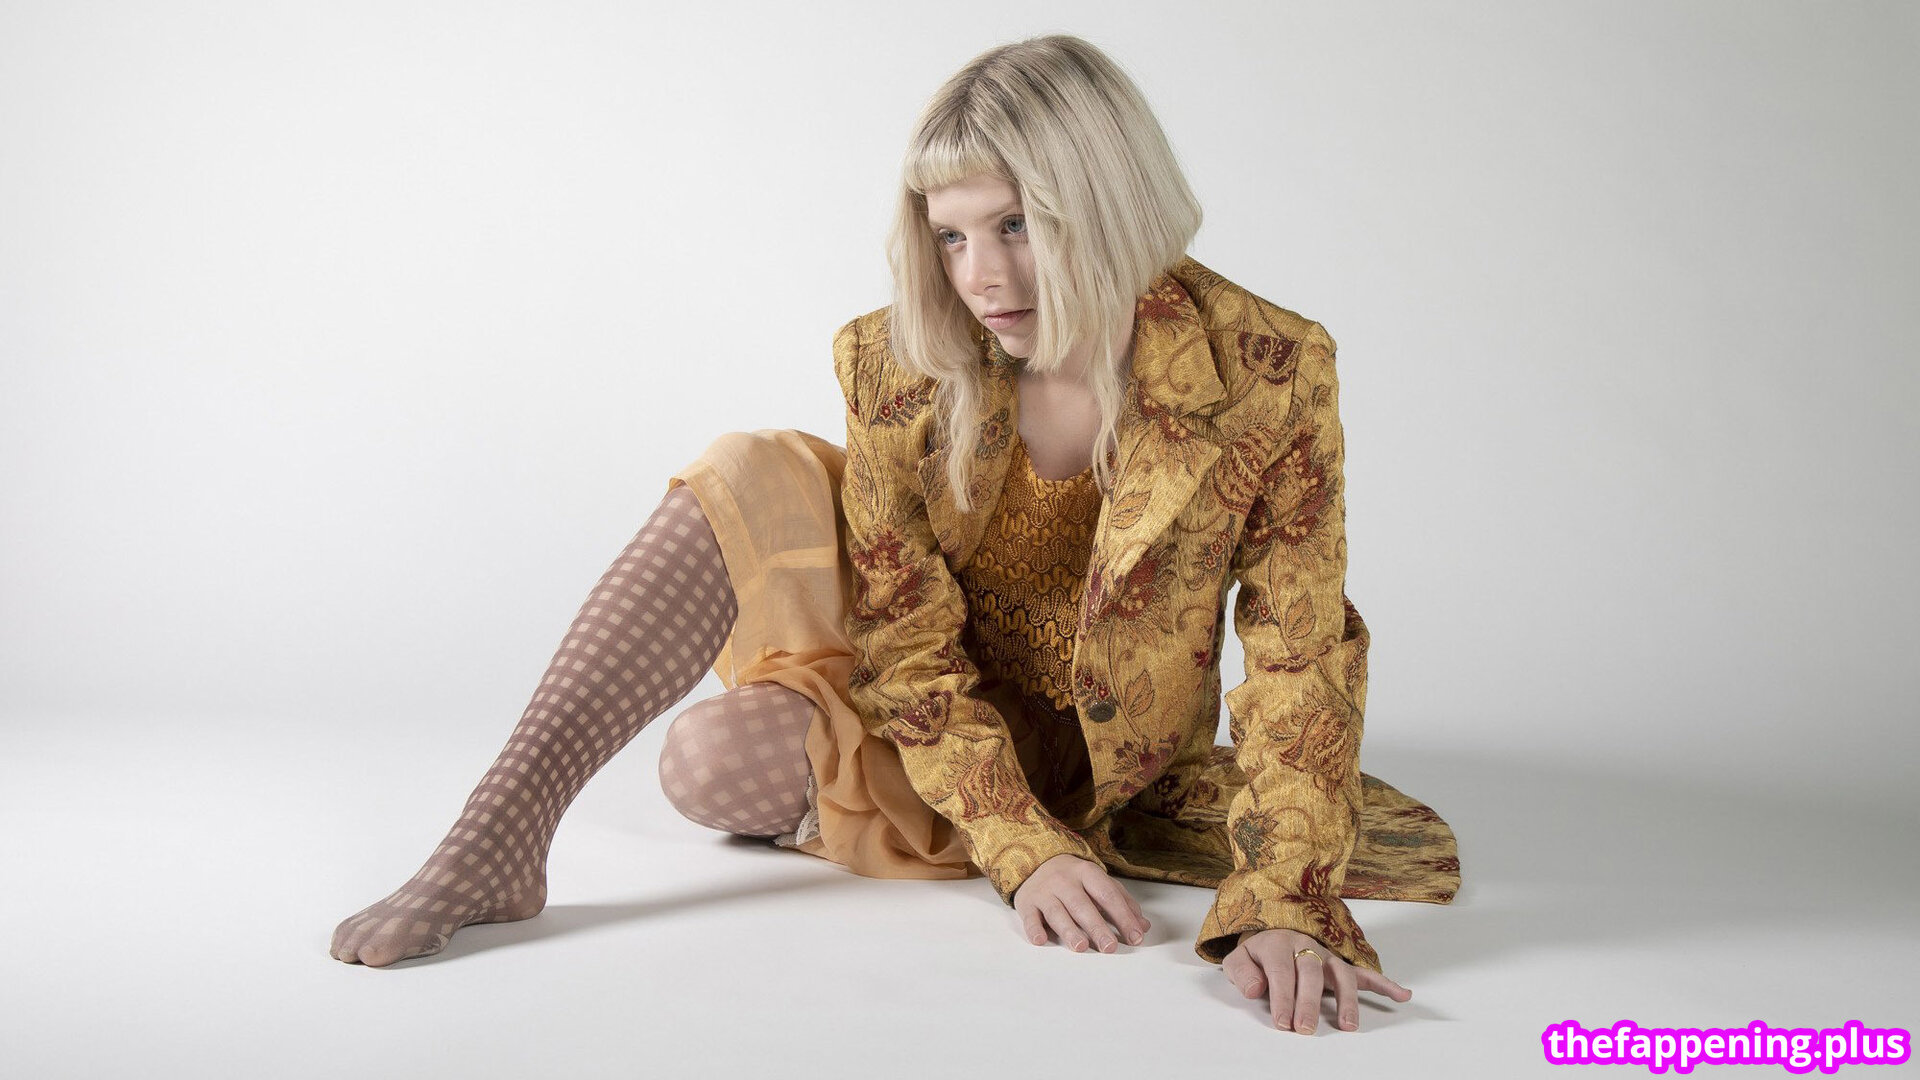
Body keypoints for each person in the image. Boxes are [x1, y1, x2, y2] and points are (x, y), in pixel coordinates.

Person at [330, 34, 1460, 1036]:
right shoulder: (893, 356)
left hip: (1085, 751)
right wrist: (1015, 851)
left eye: (1015, 226)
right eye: (951, 235)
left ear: (1107, 201)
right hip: (921, 690)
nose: (982, 278)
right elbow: (905, 639)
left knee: (707, 765)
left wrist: (1281, 900)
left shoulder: (1269, 366)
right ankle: (496, 834)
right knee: (745, 463)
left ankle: (936, 810)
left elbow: (1302, 649)